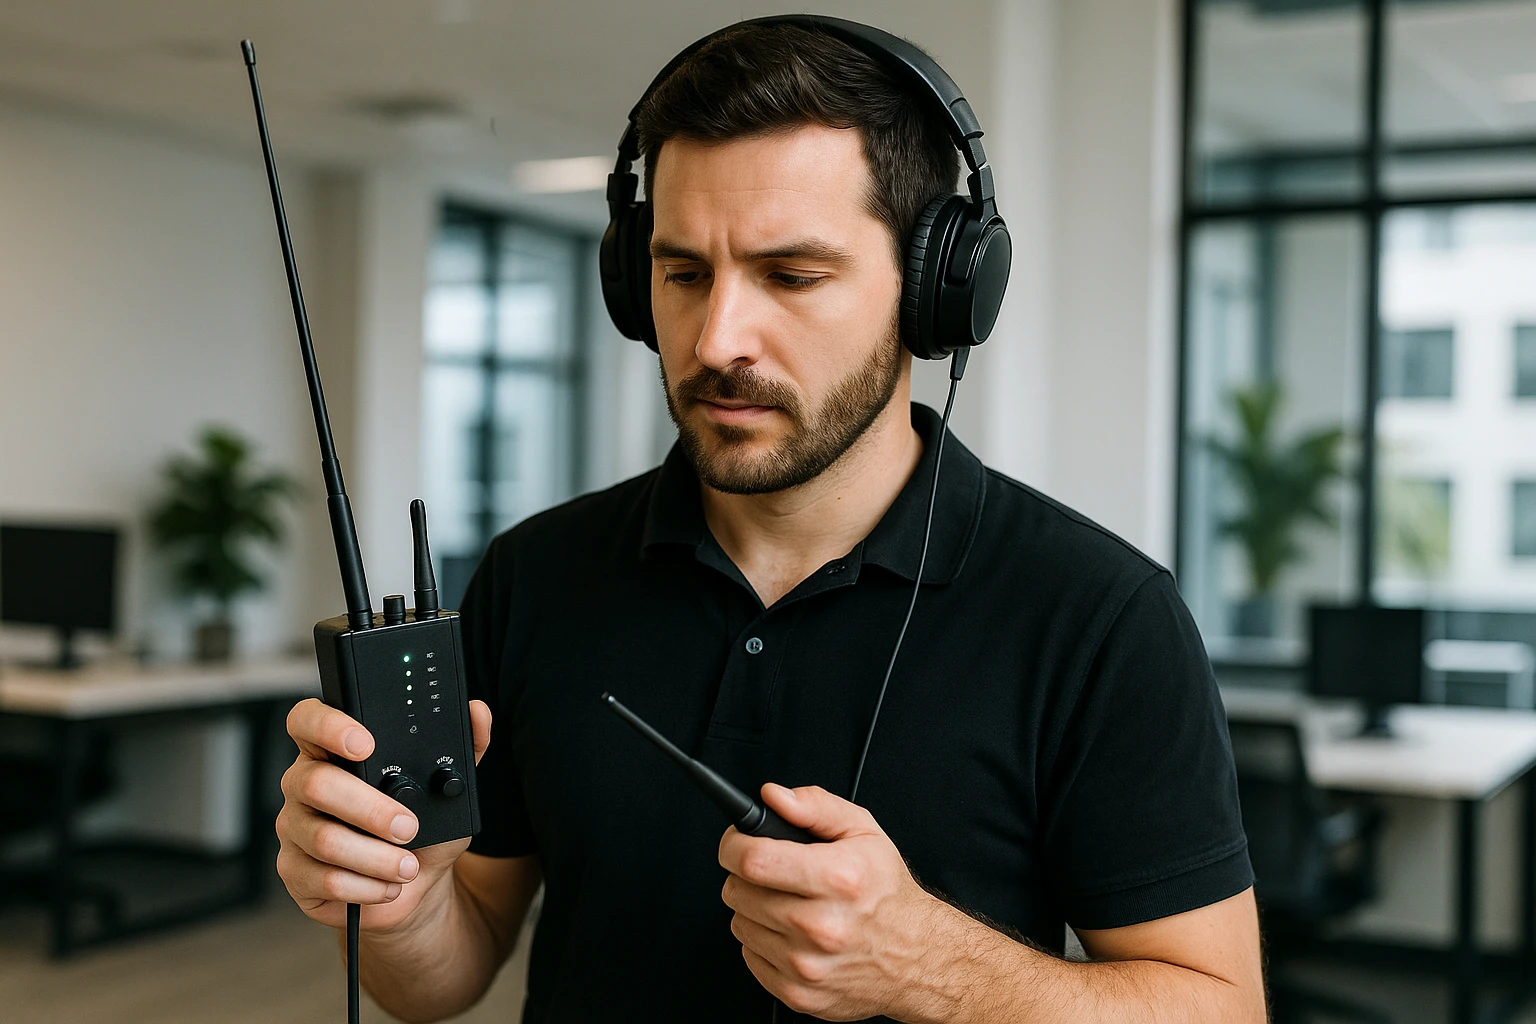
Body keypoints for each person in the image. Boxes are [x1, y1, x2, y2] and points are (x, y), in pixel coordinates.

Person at [275, 18, 1265, 1023]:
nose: (717, 339)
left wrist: (929, 964)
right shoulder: (535, 573)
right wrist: (400, 906)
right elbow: (451, 969)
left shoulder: (1100, 616)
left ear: (935, 291)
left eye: (792, 276)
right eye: (683, 272)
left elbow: (1221, 1008)